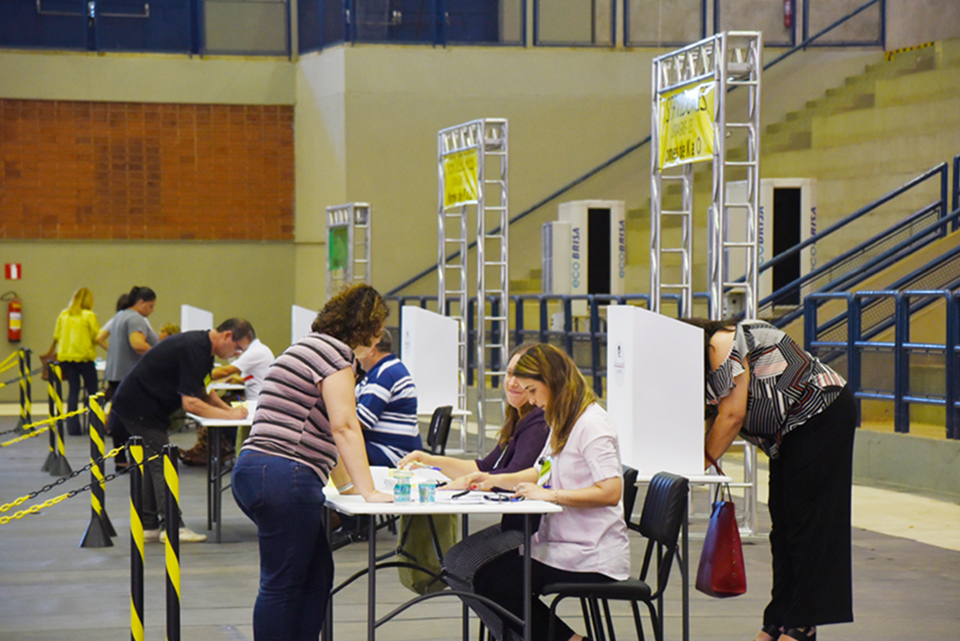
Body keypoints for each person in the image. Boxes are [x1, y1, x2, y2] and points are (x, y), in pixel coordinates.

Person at [231, 283, 393, 641]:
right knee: (284, 583)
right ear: (368, 329)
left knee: (315, 575)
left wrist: (350, 488)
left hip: (258, 470)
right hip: (283, 475)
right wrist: (368, 492)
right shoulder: (336, 357)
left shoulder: (305, 347)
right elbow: (345, 426)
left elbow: (322, 431)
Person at [685, 318, 856, 641]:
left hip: (821, 413)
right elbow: (709, 418)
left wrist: (701, 463)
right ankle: (778, 619)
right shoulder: (706, 365)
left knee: (807, 524)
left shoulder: (722, 344)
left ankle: (803, 622)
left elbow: (732, 415)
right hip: (789, 432)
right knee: (784, 527)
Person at [463, 343, 630, 641]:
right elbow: (542, 470)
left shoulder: (592, 424)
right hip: (565, 545)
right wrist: (494, 480)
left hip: (590, 554)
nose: (530, 400)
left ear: (551, 382)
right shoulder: (563, 420)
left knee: (493, 583)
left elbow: (611, 491)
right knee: (488, 577)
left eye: (532, 390)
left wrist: (553, 496)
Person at [397, 342, 550, 640]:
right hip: (515, 523)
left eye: (523, 377)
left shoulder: (538, 422)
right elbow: (483, 465)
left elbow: (506, 476)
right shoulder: (519, 419)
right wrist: (430, 460)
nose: (513, 382)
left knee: (467, 567)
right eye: (509, 373)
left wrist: (469, 481)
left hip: (533, 528)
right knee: (455, 562)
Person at [108, 318, 255, 544]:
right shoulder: (195, 348)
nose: (235, 354)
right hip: (139, 407)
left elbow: (204, 389)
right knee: (162, 464)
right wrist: (229, 416)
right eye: (237, 348)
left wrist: (232, 410)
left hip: (142, 406)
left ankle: (150, 525)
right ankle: (172, 527)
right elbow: (191, 403)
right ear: (227, 336)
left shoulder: (203, 349)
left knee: (152, 464)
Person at [180, 323, 275, 465]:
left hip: (255, 403)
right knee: (219, 404)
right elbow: (246, 376)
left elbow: (225, 371)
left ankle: (208, 451)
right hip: (254, 400)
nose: (236, 351)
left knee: (213, 409)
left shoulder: (255, 352)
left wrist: (196, 374)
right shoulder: (258, 350)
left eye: (238, 347)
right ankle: (204, 449)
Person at [99, 286, 158, 469]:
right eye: (151, 306)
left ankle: (121, 457)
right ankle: (134, 456)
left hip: (117, 374)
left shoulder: (119, 316)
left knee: (118, 415)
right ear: (141, 303)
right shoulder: (135, 318)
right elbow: (138, 344)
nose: (152, 310)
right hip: (131, 376)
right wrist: (160, 354)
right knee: (132, 418)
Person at [355, 329, 421, 466]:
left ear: (371, 349)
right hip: (389, 448)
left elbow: (361, 420)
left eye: (358, 349)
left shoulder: (385, 374)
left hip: (391, 453)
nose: (356, 356)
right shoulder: (386, 369)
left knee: (334, 446)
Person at [41, 288, 101, 436]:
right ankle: (94, 424)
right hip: (85, 358)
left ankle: (73, 428)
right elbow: (97, 336)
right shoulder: (89, 315)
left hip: (66, 358)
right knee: (92, 391)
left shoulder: (63, 315)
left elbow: (56, 336)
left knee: (73, 390)